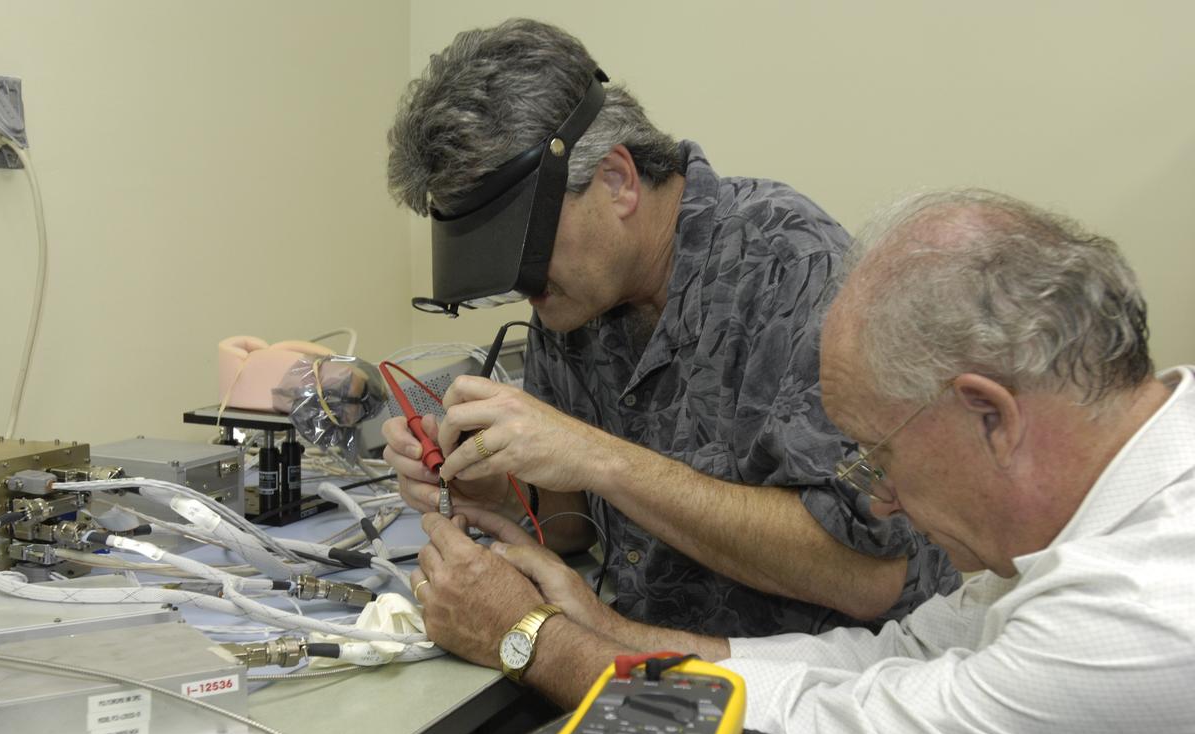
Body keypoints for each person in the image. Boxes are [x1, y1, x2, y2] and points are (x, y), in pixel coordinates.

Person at [414, 188, 1195, 734]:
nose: (881, 500)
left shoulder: (1142, 609)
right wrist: (609, 631)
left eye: (878, 455)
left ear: (989, 416)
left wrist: (529, 639)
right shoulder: (1119, 486)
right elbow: (893, 657)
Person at [384, 18, 956, 639]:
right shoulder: (574, 295)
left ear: (617, 180)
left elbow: (867, 575)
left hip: (828, 696)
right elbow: (578, 523)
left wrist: (598, 456)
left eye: (524, 250)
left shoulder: (790, 265)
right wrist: (498, 492)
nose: (521, 284)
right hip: (649, 667)